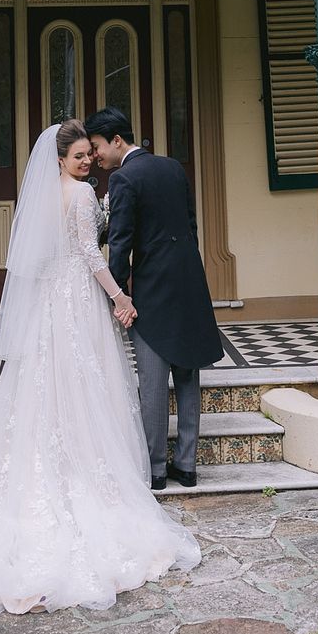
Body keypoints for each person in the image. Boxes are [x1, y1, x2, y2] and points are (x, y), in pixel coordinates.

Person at [0, 119, 200, 615]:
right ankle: (87, 475)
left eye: (89, 154)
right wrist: (120, 297)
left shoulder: (45, 196)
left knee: (52, 388)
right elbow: (90, 253)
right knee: (86, 384)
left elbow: (50, 252)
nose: (88, 162)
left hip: (51, 305)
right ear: (60, 159)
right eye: (79, 156)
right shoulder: (83, 195)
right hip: (79, 303)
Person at [85, 108, 223, 491]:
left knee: (153, 379)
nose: (95, 156)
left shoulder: (123, 178)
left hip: (152, 288)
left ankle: (156, 469)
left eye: (97, 147)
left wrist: (118, 295)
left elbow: (120, 244)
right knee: (188, 371)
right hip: (190, 281)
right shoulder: (173, 168)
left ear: (116, 140)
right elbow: (191, 225)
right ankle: (187, 465)